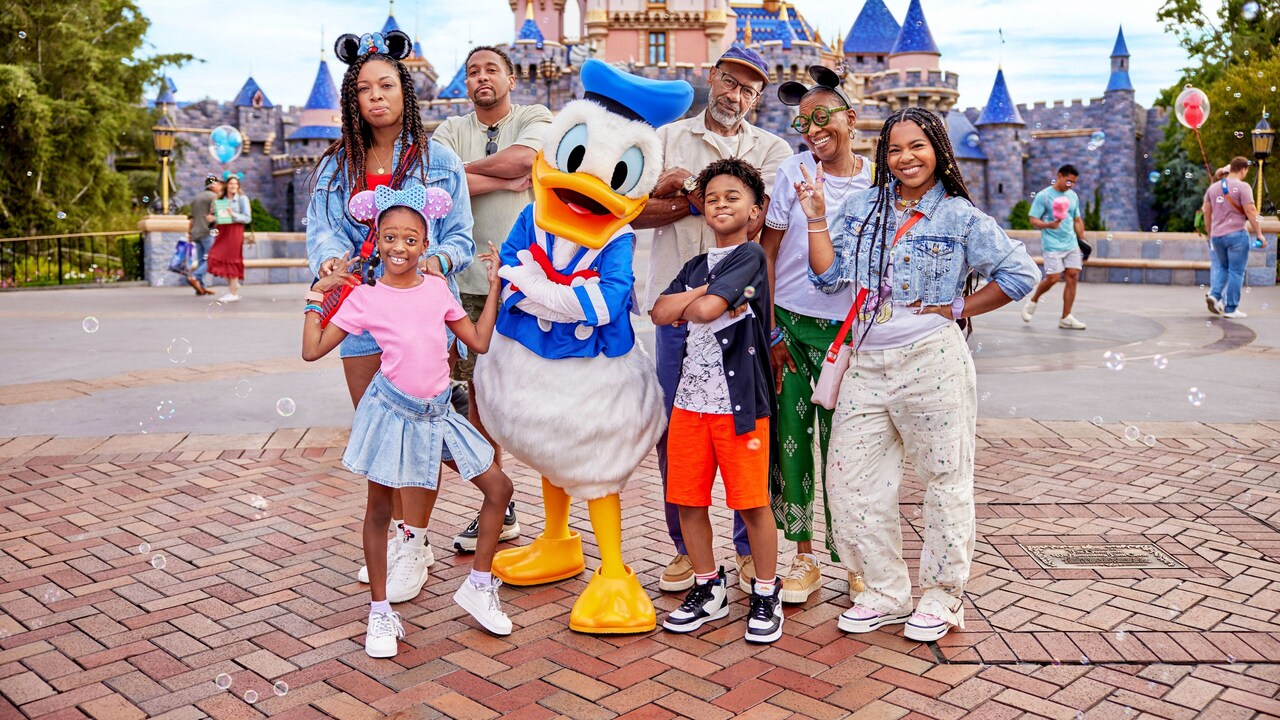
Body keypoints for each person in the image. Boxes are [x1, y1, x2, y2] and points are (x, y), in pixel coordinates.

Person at [804, 107, 1038, 642]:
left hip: (931, 359)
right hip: (865, 360)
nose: (905, 158)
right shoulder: (864, 206)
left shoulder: (957, 216)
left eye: (917, 146)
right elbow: (828, 279)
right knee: (848, 482)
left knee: (945, 479)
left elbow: (1022, 272)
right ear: (883, 156)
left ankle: (943, 596)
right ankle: (885, 590)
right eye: (894, 149)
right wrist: (817, 216)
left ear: (938, 150)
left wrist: (959, 307)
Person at [302, 188, 514, 657]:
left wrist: (495, 284)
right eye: (390, 237)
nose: (400, 247)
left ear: (425, 244)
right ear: (376, 242)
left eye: (411, 239)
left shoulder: (438, 289)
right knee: (380, 510)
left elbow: (478, 341)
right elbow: (312, 349)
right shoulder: (365, 299)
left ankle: (478, 587)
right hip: (391, 413)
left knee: (499, 489)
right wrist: (318, 295)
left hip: (437, 412)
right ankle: (380, 614)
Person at [306, 29, 476, 604]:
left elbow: (460, 236)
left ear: (405, 89)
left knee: (421, 435)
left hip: (421, 314)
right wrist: (330, 257)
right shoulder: (337, 165)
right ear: (352, 101)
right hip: (361, 308)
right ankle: (404, 541)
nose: (374, 96)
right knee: (384, 435)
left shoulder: (440, 159)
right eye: (362, 89)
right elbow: (324, 228)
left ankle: (413, 541)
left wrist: (433, 259)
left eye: (385, 84)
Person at [633, 45, 792, 595]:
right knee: (678, 433)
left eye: (749, 89)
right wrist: (681, 197)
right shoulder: (664, 138)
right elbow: (631, 212)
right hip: (673, 313)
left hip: (742, 312)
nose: (736, 95)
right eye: (729, 82)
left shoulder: (772, 148)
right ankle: (686, 550)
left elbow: (760, 221)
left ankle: (749, 552)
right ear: (712, 77)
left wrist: (691, 189)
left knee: (745, 428)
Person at [651, 159, 782, 643]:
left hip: (740, 405)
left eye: (732, 196)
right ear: (700, 209)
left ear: (755, 209)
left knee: (750, 503)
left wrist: (700, 298)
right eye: (711, 198)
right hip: (690, 402)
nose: (721, 204)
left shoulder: (750, 256)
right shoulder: (695, 264)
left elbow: (700, 309)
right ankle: (709, 587)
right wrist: (708, 294)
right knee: (687, 498)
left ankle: (766, 591)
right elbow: (660, 312)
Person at [432, 44, 552, 552]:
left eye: (491, 69)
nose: (482, 77)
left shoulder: (536, 116)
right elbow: (433, 182)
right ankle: (499, 507)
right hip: (465, 287)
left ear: (511, 78)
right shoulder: (447, 131)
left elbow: (527, 159)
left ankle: (560, 519)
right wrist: (497, 174)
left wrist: (465, 175)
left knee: (541, 398)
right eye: (473, 70)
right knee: (477, 400)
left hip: (527, 282)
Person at [761, 65, 874, 604]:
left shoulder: (878, 181)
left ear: (852, 120)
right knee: (791, 442)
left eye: (823, 117)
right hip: (789, 326)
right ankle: (802, 556)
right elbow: (769, 248)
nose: (812, 128)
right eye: (803, 121)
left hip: (848, 334)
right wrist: (768, 326)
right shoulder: (794, 170)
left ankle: (853, 556)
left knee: (848, 447)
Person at [1021, 164, 1086, 330]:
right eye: (1069, 181)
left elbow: (1077, 219)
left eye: (1074, 182)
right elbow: (1033, 219)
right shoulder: (1044, 196)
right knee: (1053, 278)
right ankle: (1034, 299)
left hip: (1071, 243)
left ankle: (1066, 317)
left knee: (1073, 276)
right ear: (1059, 176)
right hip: (1052, 245)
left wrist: (1083, 239)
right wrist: (1049, 225)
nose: (1071, 185)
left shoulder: (1072, 196)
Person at [1202, 156, 1268, 319]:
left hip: (1217, 236)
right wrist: (1259, 233)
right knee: (1236, 272)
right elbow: (1251, 211)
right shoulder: (1243, 187)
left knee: (1224, 267)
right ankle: (1231, 308)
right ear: (1243, 169)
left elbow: (1206, 212)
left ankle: (1215, 295)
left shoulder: (1213, 188)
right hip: (1236, 235)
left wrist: (1211, 234)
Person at [207, 173, 252, 303]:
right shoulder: (221, 199)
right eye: (231, 183)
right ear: (227, 185)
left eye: (236, 184)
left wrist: (233, 214)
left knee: (232, 259)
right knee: (214, 256)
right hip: (223, 230)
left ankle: (233, 293)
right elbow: (221, 217)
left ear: (238, 186)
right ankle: (234, 284)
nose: (233, 186)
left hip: (235, 230)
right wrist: (213, 218)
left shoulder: (242, 199)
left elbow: (247, 218)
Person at [186, 174, 220, 296]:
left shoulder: (196, 198)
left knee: (202, 259)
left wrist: (190, 233)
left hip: (196, 232)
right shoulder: (214, 197)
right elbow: (218, 215)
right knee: (213, 258)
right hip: (207, 232)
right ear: (213, 185)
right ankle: (195, 277)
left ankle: (201, 287)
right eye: (218, 184)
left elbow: (191, 218)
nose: (220, 187)